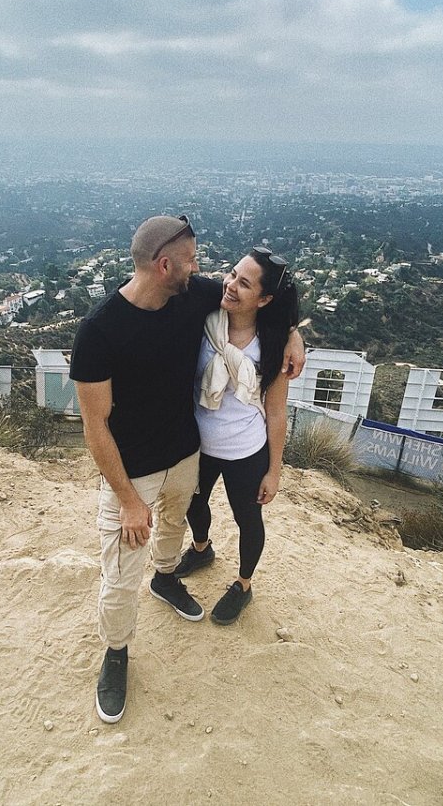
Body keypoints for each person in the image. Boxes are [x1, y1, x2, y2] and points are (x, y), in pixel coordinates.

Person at [70, 216, 304, 725]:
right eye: (195, 260)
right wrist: (129, 500)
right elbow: (95, 427)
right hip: (132, 476)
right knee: (119, 574)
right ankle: (116, 653)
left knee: (175, 527)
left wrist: (293, 335)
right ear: (164, 265)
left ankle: (168, 577)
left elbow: (265, 303)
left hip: (185, 455)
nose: (208, 272)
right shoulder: (99, 331)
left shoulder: (192, 296)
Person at [173, 246, 298, 625]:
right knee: (193, 504)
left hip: (246, 449)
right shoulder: (206, 319)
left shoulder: (273, 343)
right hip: (198, 442)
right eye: (231, 275)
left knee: (248, 519)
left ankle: (243, 585)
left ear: (264, 299)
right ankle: (201, 547)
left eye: (244, 284)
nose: (230, 285)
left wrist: (274, 471)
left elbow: (276, 412)